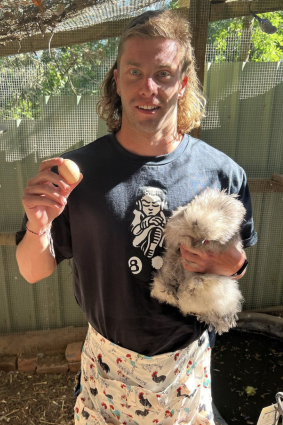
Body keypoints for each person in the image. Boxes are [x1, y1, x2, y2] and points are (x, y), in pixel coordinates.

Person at [16, 9, 257, 425]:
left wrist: (234, 266)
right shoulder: (76, 174)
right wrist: (38, 226)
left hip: (186, 369)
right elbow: (33, 271)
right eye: (134, 72)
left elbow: (236, 268)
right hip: (107, 369)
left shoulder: (222, 173)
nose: (148, 88)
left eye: (163, 74)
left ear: (183, 83)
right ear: (116, 79)